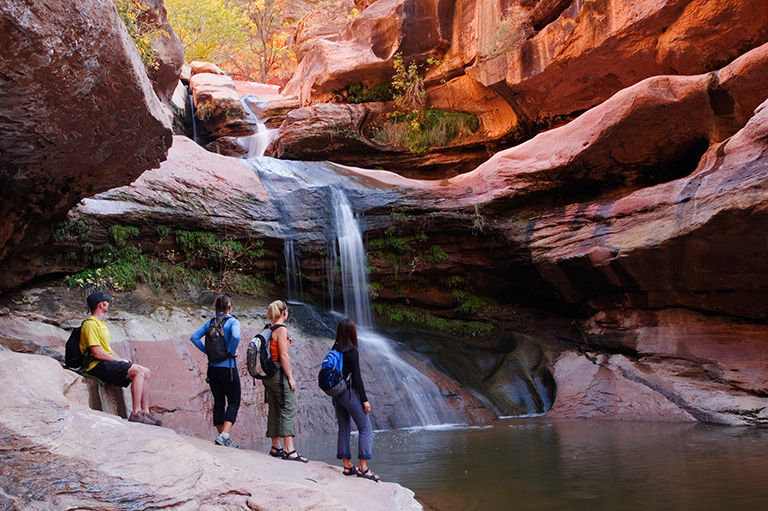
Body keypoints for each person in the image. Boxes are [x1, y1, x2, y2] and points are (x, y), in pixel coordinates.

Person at [80, 291, 161, 426]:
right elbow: (97, 353)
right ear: (101, 304)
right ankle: (136, 413)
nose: (108, 304)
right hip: (95, 366)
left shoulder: (101, 324)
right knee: (139, 371)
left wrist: (120, 359)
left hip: (104, 363)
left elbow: (107, 349)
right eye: (107, 301)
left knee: (146, 372)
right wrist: (118, 361)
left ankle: (145, 411)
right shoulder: (90, 324)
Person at [189, 294, 242, 448]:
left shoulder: (210, 323)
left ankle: (221, 437)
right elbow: (237, 337)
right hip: (228, 369)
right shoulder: (233, 322)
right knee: (234, 400)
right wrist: (231, 351)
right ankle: (225, 435)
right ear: (229, 307)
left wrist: (208, 352)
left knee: (219, 402)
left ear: (216, 307)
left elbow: (194, 338)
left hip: (212, 370)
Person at [332, 318, 379, 481]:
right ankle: (363, 468)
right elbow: (357, 378)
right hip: (349, 393)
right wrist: (365, 400)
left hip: (337, 394)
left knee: (344, 428)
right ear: (352, 333)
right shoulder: (352, 351)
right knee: (365, 427)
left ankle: (347, 466)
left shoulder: (335, 348)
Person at [263, 300, 308, 462]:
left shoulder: (268, 328)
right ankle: (289, 450)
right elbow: (283, 355)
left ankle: (276, 446)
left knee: (274, 408)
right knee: (287, 407)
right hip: (278, 375)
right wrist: (291, 377)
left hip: (267, 375)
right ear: (284, 313)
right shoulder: (281, 330)